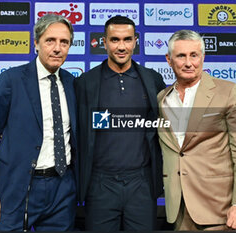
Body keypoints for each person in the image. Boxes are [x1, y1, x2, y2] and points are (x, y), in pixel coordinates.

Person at [0, 14, 78, 231]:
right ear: (36, 43)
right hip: (17, 187)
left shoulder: (73, 83)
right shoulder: (11, 80)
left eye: (64, 42)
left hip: (63, 188)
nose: (57, 48)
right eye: (50, 40)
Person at [157, 30, 236, 231]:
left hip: (222, 210)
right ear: (169, 60)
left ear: (203, 57)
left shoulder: (229, 92)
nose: (188, 63)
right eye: (181, 56)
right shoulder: (163, 98)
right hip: (179, 211)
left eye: (194, 55)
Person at [74, 16, 166, 231]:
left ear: (136, 41)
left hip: (141, 183)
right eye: (115, 40)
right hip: (100, 184)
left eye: (127, 39)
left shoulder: (153, 80)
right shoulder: (84, 83)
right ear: (104, 42)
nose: (121, 46)